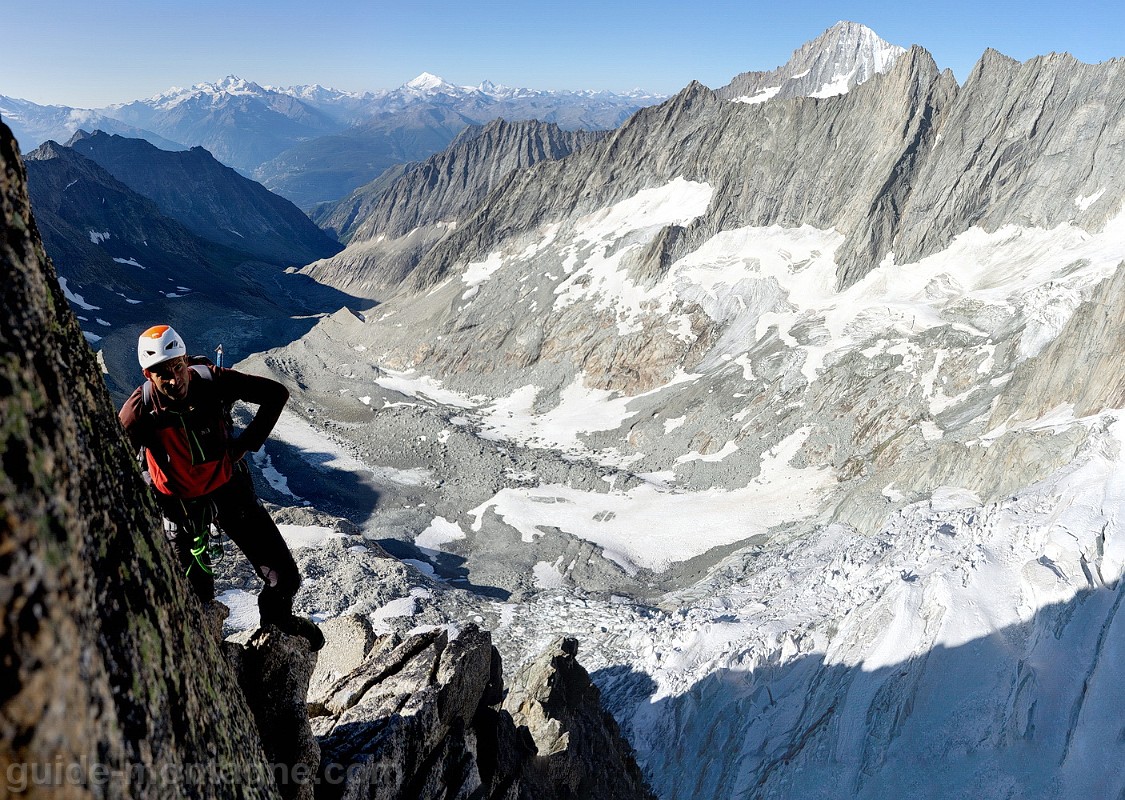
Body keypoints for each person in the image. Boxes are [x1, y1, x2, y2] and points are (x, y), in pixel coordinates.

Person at [118, 324, 324, 650]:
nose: (174, 379)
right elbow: (116, 462)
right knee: (197, 599)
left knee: (284, 578)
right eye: (162, 374)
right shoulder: (140, 410)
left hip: (229, 489)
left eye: (177, 367)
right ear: (147, 375)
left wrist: (244, 446)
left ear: (185, 360)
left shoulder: (213, 381)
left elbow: (276, 395)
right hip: (180, 508)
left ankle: (275, 631)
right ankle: (213, 663)